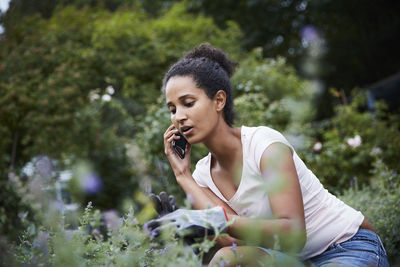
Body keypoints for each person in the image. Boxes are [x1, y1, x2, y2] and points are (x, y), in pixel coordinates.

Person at [157, 43, 389, 266]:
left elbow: (293, 234)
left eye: (188, 103)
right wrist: (183, 177)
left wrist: (217, 221)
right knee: (226, 258)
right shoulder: (201, 176)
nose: (179, 116)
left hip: (345, 246)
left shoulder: (263, 144)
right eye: (172, 109)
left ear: (219, 100)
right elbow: (236, 241)